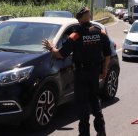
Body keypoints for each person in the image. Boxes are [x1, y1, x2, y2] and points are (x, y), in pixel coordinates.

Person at [42, 7, 111, 136]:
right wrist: (104, 70)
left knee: (83, 104)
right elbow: (107, 53)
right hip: (94, 72)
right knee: (95, 100)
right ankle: (101, 131)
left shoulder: (76, 35)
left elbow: (61, 55)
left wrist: (51, 47)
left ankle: (84, 134)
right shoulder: (100, 32)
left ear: (79, 19)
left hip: (81, 73)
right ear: (89, 17)